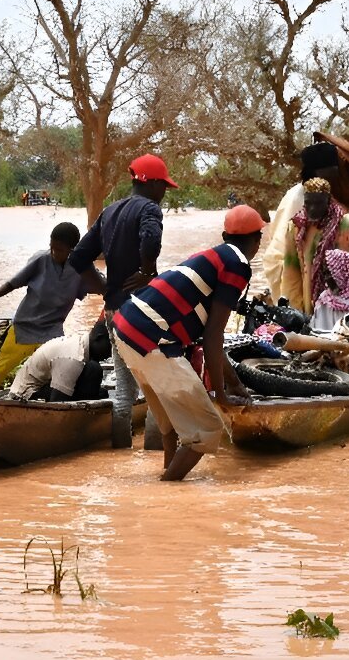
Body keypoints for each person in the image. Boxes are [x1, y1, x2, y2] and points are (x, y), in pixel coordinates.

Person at [112, 205, 264, 481]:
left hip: (126, 329)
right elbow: (214, 335)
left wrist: (233, 384)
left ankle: (167, 496)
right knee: (207, 428)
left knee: (171, 423)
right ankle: (167, 489)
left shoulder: (211, 257)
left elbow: (207, 336)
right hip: (153, 336)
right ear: (258, 241)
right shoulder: (238, 265)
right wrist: (220, 393)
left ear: (224, 235)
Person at [68, 153, 174, 446]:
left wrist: (103, 287)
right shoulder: (150, 208)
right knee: (156, 388)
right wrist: (147, 271)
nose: (165, 192)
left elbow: (78, 257)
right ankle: (156, 459)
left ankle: (119, 455)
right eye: (163, 185)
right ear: (151, 183)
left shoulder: (110, 212)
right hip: (143, 309)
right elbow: (151, 239)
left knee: (124, 391)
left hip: (114, 311)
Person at [0, 222, 99, 396]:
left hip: (52, 331)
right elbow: (13, 283)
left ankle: (39, 404)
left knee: (58, 372)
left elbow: (102, 286)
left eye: (59, 250)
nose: (54, 252)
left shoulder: (81, 268)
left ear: (72, 250)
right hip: (24, 328)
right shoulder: (41, 260)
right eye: (51, 247)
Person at [279, 178, 349, 314]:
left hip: (346, 305)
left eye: (319, 203)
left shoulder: (346, 225)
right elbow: (291, 273)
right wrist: (296, 310)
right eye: (309, 203)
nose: (313, 209)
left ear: (328, 201)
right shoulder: (297, 228)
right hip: (310, 306)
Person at [262, 142, 341, 294]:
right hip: (292, 270)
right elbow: (283, 247)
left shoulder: (332, 196)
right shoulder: (299, 198)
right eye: (327, 176)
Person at [8, 320, 110, 402]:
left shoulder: (79, 345)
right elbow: (57, 402)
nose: (110, 354)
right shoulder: (73, 357)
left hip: (43, 385)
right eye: (110, 346)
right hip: (25, 394)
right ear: (98, 338)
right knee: (93, 370)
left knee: (98, 389)